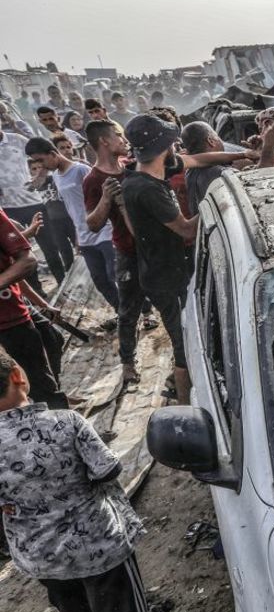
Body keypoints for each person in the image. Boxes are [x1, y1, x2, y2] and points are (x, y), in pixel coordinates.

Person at [0, 348, 169, 612]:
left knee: (65, 593)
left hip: (39, 553)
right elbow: (107, 470)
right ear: (18, 376)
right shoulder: (66, 422)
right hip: (97, 544)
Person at [120, 115, 196, 405]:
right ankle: (187, 411)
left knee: (185, 341)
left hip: (159, 272)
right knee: (184, 348)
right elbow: (187, 228)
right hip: (166, 280)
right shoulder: (148, 189)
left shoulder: (138, 175)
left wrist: (242, 155)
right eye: (172, 141)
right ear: (164, 146)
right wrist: (219, 201)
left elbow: (196, 160)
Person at [83, 120, 149, 385]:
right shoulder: (94, 180)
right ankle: (127, 362)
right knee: (128, 311)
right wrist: (106, 198)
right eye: (119, 136)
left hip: (151, 246)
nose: (124, 140)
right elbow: (93, 223)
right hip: (127, 251)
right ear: (104, 142)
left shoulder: (132, 167)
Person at [24, 137, 119, 310]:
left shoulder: (80, 170)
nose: (41, 165)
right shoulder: (57, 177)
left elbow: (104, 197)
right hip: (84, 237)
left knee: (116, 275)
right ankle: (124, 312)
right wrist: (77, 235)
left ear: (53, 153)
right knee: (100, 280)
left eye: (41, 160)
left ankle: (145, 310)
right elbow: (71, 208)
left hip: (104, 230)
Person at [0, 211, 67, 409]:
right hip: (13, 318)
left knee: (42, 382)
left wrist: (43, 304)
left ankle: (60, 419)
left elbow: (24, 264)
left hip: (12, 319)